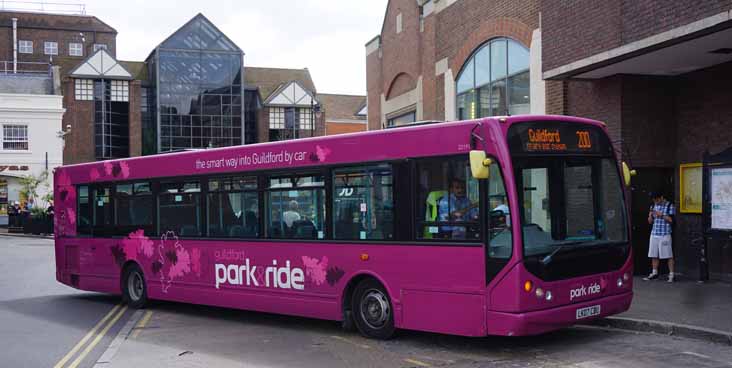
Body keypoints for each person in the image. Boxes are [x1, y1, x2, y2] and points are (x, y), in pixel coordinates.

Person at [643, 191, 676, 282]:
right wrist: (650, 216)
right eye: (654, 200)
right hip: (654, 233)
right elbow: (650, 222)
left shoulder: (670, 206)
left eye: (657, 200)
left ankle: (671, 274)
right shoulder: (653, 206)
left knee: (668, 255)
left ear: (661, 197)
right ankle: (654, 272)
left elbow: (671, 220)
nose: (655, 202)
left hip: (665, 234)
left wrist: (661, 215)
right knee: (654, 254)